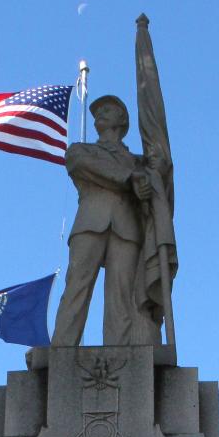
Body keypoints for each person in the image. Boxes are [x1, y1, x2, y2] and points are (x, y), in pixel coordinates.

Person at [51, 95, 158, 347]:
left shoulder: (139, 162)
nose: (100, 113)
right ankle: (61, 349)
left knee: (121, 297)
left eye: (108, 110)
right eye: (98, 111)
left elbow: (155, 192)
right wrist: (129, 178)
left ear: (122, 120)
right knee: (77, 285)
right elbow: (79, 164)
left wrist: (148, 182)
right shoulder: (81, 151)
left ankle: (119, 355)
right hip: (90, 223)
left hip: (127, 227)